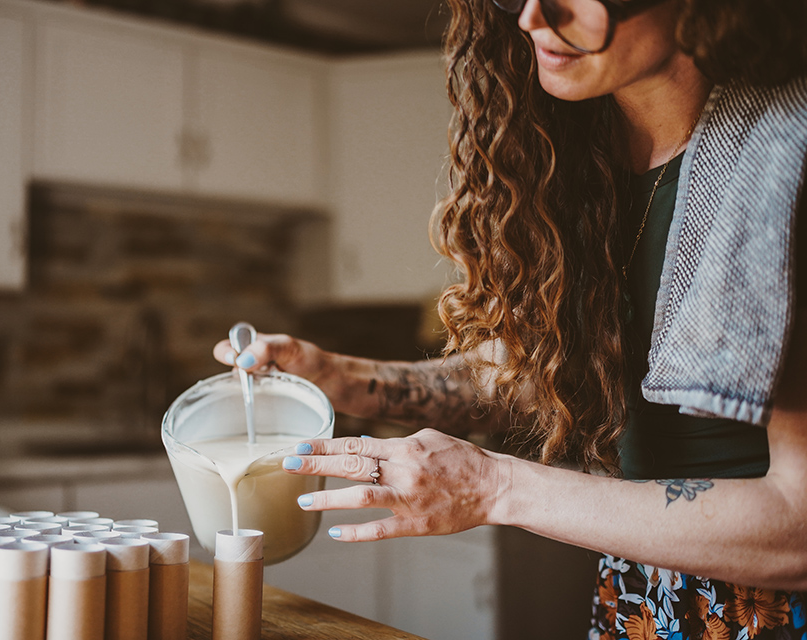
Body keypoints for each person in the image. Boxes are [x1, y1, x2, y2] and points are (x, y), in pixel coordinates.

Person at [214, 0, 807, 637]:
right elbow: (543, 371)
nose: (530, 16)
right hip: (637, 608)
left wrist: (494, 486)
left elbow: (797, 527)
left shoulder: (783, 162)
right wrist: (347, 379)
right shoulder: (577, 157)